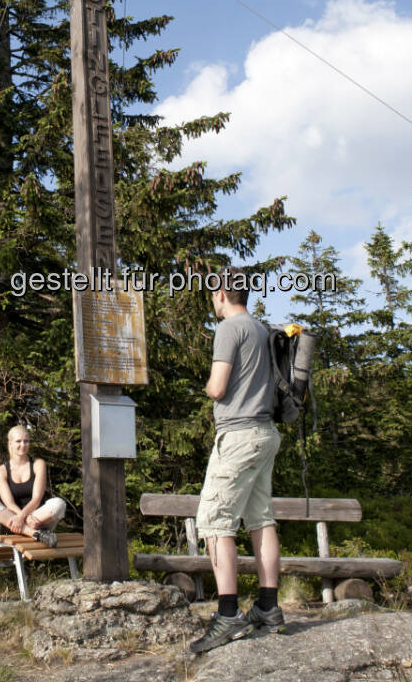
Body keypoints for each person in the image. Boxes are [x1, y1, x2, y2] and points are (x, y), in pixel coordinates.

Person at [188, 272, 284, 654]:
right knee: (261, 518)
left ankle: (228, 614)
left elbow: (218, 386)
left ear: (223, 293)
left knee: (213, 522)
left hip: (238, 437)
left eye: (214, 293)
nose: (213, 299)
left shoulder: (229, 328)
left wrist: (208, 386)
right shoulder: (261, 329)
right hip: (266, 434)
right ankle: (268, 607)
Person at [0, 424, 64, 548]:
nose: (23, 445)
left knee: (59, 504)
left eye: (26, 441)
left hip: (36, 518)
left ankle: (12, 528)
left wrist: (22, 517)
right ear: (10, 444)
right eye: (18, 441)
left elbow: (37, 498)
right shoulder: (1, 471)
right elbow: (9, 503)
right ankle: (36, 535)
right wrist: (20, 517)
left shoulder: (38, 464)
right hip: (15, 515)